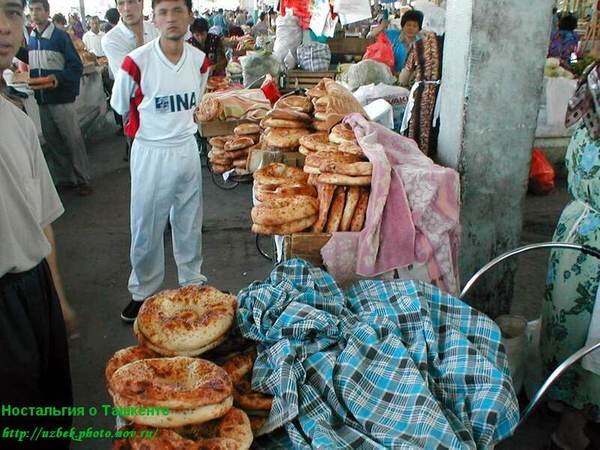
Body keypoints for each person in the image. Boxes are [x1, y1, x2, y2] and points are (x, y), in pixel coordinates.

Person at [0, 0, 76, 448]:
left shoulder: (18, 118)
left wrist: (59, 301)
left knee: (52, 418)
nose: (4, 26)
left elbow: (43, 219)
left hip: (34, 293)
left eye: (11, 12)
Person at [111, 0, 209, 322]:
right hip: (151, 149)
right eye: (164, 12)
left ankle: (192, 282)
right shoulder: (135, 62)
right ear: (153, 17)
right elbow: (120, 105)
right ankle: (143, 293)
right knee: (146, 224)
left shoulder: (199, 61)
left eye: (178, 11)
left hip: (186, 147)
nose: (171, 19)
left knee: (189, 221)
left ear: (189, 16)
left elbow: (197, 104)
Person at [540, 62, 600, 450]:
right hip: (593, 245)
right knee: (590, 339)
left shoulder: (589, 105)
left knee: (565, 324)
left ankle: (557, 397)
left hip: (577, 227)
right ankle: (572, 428)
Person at [28, 0, 93, 196]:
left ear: (47, 12)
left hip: (61, 99)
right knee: (53, 141)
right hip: (43, 99)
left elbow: (76, 66)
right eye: (31, 10)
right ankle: (66, 179)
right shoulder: (31, 38)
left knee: (72, 140)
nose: (34, 14)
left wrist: (57, 78)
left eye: (38, 10)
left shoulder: (60, 37)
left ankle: (83, 179)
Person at [398, 31, 444, 157]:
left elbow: (403, 79)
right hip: (444, 96)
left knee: (419, 133)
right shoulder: (450, 45)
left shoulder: (419, 46)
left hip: (423, 96)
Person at [101, 0, 159, 79]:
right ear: (117, 7)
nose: (126, 8)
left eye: (131, 1)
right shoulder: (110, 40)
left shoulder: (154, 29)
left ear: (141, 3)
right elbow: (132, 79)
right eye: (121, 3)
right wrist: (139, 37)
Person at [370, 9, 423, 73]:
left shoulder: (420, 43)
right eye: (408, 25)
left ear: (419, 29)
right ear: (403, 26)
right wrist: (382, 26)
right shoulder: (393, 35)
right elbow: (371, 36)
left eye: (415, 26)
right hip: (389, 75)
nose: (411, 28)